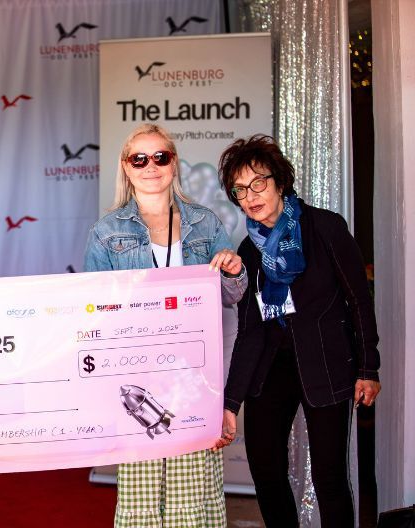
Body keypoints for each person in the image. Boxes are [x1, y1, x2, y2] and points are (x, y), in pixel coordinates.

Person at [84, 123, 247, 527]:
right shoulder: (106, 232)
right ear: (126, 167)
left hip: (195, 376)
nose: (150, 166)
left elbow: (233, 295)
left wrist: (233, 270)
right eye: (140, 158)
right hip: (134, 376)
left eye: (160, 157)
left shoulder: (205, 223)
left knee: (192, 497)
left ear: (174, 164)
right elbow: (93, 307)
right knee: (139, 499)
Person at [214, 135, 380, 526]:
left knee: (330, 477)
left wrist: (368, 368)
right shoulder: (249, 251)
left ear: (280, 182)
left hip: (327, 361)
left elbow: (359, 300)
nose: (251, 196)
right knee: (266, 469)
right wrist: (231, 402)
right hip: (272, 367)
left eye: (258, 183)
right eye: (240, 189)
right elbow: (250, 331)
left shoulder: (324, 227)